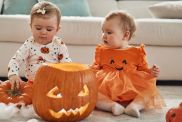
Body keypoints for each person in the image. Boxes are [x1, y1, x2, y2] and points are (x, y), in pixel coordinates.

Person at [92, 10, 165, 117]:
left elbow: (143, 71)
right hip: (107, 86)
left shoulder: (137, 52)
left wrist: (151, 72)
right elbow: (95, 68)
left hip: (131, 86)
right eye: (102, 31)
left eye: (109, 32)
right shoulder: (101, 51)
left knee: (150, 90)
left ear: (125, 35)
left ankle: (135, 106)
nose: (104, 35)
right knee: (92, 93)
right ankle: (111, 106)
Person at [8, 1, 71, 89]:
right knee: (29, 100)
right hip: (33, 84)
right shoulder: (29, 44)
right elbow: (16, 60)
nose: (43, 32)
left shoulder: (59, 44)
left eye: (49, 29)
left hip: (55, 86)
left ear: (57, 29)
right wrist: (13, 74)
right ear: (31, 26)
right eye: (38, 28)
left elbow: (66, 63)